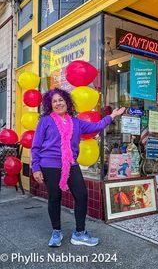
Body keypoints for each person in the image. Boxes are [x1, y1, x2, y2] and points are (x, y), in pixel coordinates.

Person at [31, 88, 125, 247]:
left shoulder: (76, 122)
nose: (58, 103)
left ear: (67, 102)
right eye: (54, 101)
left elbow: (96, 126)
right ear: (50, 105)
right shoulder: (45, 121)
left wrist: (112, 116)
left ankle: (79, 233)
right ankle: (56, 232)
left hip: (71, 164)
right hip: (49, 165)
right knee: (54, 198)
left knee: (81, 195)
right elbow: (36, 146)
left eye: (60, 100)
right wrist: (35, 167)